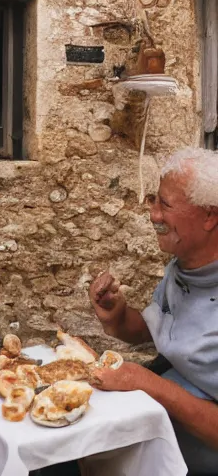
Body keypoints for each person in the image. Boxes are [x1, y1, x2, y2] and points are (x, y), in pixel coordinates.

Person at [89, 147, 218, 475]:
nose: (154, 215)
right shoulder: (183, 266)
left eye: (166, 204)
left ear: (210, 216)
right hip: (159, 420)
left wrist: (148, 383)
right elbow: (157, 330)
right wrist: (117, 317)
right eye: (154, 200)